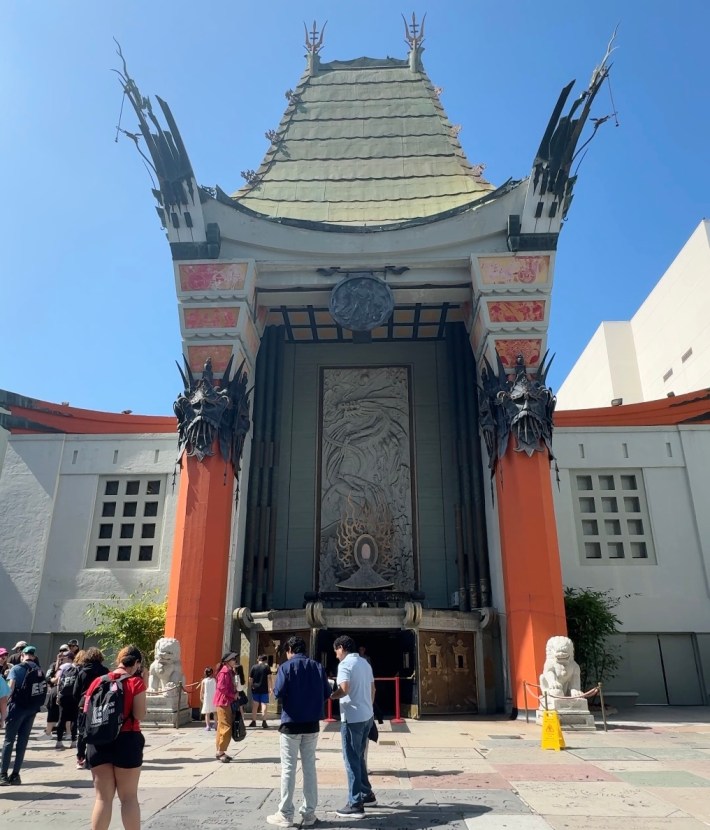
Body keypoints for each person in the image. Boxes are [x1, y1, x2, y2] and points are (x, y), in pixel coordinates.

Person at [266, 636, 331, 828]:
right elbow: (327, 694)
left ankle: (285, 813)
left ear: (290, 649)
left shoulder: (286, 667)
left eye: (287, 650)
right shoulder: (317, 666)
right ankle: (309, 813)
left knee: (288, 768)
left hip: (291, 724)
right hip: (312, 725)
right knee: (309, 768)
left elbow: (278, 693)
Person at [84, 644, 147, 830]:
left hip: (98, 740)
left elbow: (87, 710)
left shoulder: (97, 681)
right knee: (128, 798)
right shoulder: (135, 683)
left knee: (102, 798)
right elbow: (139, 714)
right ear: (136, 663)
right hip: (127, 739)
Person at [330, 635, 376, 818]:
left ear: (341, 647)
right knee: (359, 757)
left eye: (336, 650)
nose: (335, 655)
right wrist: (369, 710)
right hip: (366, 716)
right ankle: (367, 794)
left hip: (352, 717)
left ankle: (355, 802)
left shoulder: (345, 665)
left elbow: (344, 688)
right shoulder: (365, 663)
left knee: (351, 759)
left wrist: (331, 695)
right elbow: (373, 689)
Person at [1, 645, 48, 786]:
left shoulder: (16, 669)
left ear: (22, 655)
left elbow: (10, 689)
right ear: (33, 656)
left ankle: (3, 774)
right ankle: (16, 775)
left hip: (17, 709)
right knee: (22, 742)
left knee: (9, 741)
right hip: (32, 709)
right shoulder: (40, 670)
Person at [73, 647, 109, 770]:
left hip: (84, 703)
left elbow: (75, 691)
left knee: (82, 732)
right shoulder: (105, 671)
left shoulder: (82, 672)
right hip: (100, 704)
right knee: (98, 728)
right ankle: (94, 756)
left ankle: (80, 758)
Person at [213, 652, 238, 762]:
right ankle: (221, 751)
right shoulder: (224, 672)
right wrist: (233, 695)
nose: (235, 661)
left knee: (221, 726)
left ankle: (220, 750)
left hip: (225, 701)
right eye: (233, 659)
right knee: (225, 727)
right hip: (224, 702)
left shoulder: (229, 671)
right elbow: (221, 688)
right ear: (227, 661)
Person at [55, 651, 78, 749]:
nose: (62, 659)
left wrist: (58, 695)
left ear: (69, 658)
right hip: (73, 697)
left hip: (63, 696)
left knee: (61, 719)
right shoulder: (77, 669)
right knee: (74, 719)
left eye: (64, 657)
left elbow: (59, 681)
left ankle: (59, 741)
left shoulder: (64, 668)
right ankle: (73, 741)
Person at [249, 654, 271, 728]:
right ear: (265, 660)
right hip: (264, 688)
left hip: (255, 688)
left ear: (258, 659)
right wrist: (270, 688)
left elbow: (250, 678)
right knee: (264, 704)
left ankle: (253, 721)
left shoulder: (254, 667)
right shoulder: (267, 667)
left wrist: (251, 686)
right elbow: (269, 678)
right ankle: (264, 721)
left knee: (255, 705)